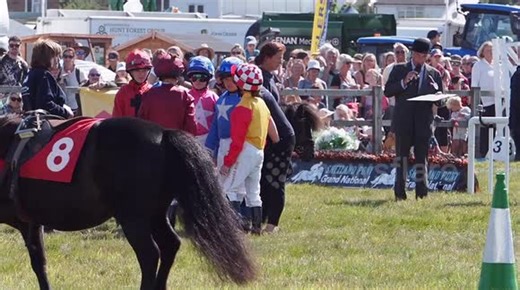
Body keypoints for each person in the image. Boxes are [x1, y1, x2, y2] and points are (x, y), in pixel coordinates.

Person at [220, 63, 279, 235]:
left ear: (240, 83)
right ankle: (255, 228)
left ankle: (235, 227)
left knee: (229, 188)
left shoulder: (242, 107)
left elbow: (237, 141)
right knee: (253, 192)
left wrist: (227, 162)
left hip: (246, 150)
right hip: (259, 150)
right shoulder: (261, 103)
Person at [384, 37, 444, 201]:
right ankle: (400, 193)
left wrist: (437, 92)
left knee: (421, 158)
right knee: (401, 157)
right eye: (418, 55)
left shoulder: (434, 73)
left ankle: (422, 193)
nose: (421, 59)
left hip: (423, 122)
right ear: (412, 54)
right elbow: (388, 91)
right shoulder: (399, 70)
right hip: (403, 120)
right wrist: (404, 81)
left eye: (424, 56)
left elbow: (441, 101)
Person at [138, 52, 196, 133]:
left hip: (153, 141)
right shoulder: (185, 96)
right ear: (178, 75)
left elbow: (141, 122)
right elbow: (191, 127)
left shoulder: (148, 94)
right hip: (177, 142)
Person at [22, 39, 73, 118]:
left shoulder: (30, 74)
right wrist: (66, 112)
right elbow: (45, 104)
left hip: (30, 121)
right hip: (45, 123)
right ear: (46, 57)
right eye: (55, 56)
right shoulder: (43, 75)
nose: (58, 60)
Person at [187, 56, 219, 145]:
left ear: (209, 78)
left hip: (208, 140)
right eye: (194, 77)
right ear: (190, 78)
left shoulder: (214, 97)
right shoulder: (186, 96)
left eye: (202, 78)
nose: (198, 81)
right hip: (189, 139)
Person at [112, 49, 153, 117]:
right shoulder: (123, 92)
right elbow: (116, 119)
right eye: (137, 70)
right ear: (130, 72)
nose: (141, 74)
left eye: (144, 70)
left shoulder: (153, 91)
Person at [471, 41, 495, 157]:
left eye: (492, 50)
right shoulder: (478, 65)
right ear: (482, 52)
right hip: (485, 101)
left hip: (498, 101)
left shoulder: (498, 64)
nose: (490, 53)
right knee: (485, 127)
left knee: (496, 126)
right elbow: (474, 84)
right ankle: (484, 152)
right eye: (488, 50)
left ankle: (495, 151)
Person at [60, 47, 87, 115]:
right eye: (65, 56)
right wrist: (60, 79)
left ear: (74, 58)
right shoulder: (58, 71)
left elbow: (85, 87)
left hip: (76, 107)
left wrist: (79, 88)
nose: (67, 59)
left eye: (70, 57)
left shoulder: (79, 72)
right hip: (62, 107)